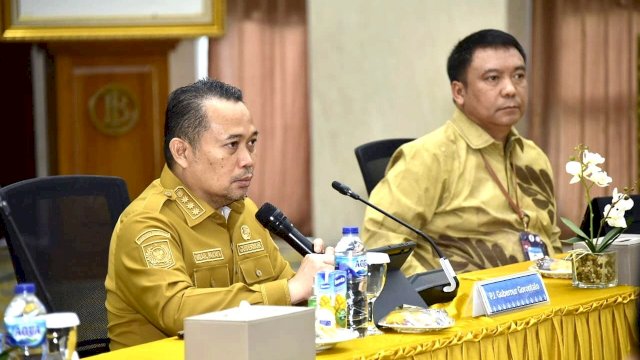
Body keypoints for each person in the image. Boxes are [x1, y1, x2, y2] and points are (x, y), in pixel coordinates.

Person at [105, 78, 334, 349]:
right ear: (182, 152)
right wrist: (292, 289)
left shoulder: (245, 210)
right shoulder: (146, 223)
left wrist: (322, 279)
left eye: (251, 143)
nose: (248, 160)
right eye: (232, 145)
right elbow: (178, 311)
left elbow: (290, 292)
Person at [362, 29, 562, 275]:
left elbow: (551, 238)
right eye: (493, 78)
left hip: (544, 300)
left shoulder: (534, 157)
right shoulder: (428, 156)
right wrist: (436, 293)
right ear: (459, 92)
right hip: (463, 307)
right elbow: (381, 240)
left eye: (519, 76)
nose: (510, 89)